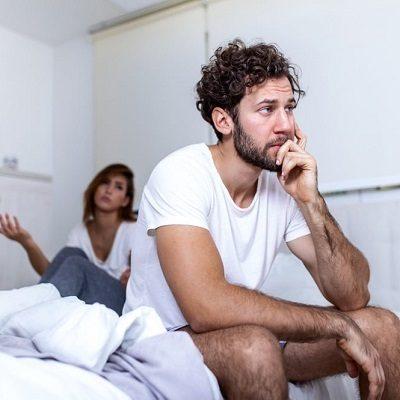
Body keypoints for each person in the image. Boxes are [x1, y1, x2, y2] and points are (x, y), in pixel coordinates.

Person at [124, 39, 400, 399]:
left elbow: (353, 295)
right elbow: (206, 307)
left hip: (247, 334)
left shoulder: (281, 186)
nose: (285, 125)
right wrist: (335, 324)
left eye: (289, 108)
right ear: (224, 120)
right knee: (255, 347)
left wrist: (311, 201)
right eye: (267, 109)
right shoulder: (181, 173)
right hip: (166, 340)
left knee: (382, 326)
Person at [0, 163, 136, 315]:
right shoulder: (80, 231)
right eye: (105, 182)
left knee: (76, 263)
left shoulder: (133, 230)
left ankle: (28, 312)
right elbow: (54, 274)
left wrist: (134, 278)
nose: (109, 190)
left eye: (118, 187)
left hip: (121, 302)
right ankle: (30, 312)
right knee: (70, 253)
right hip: (89, 299)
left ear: (125, 200)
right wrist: (27, 242)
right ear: (95, 187)